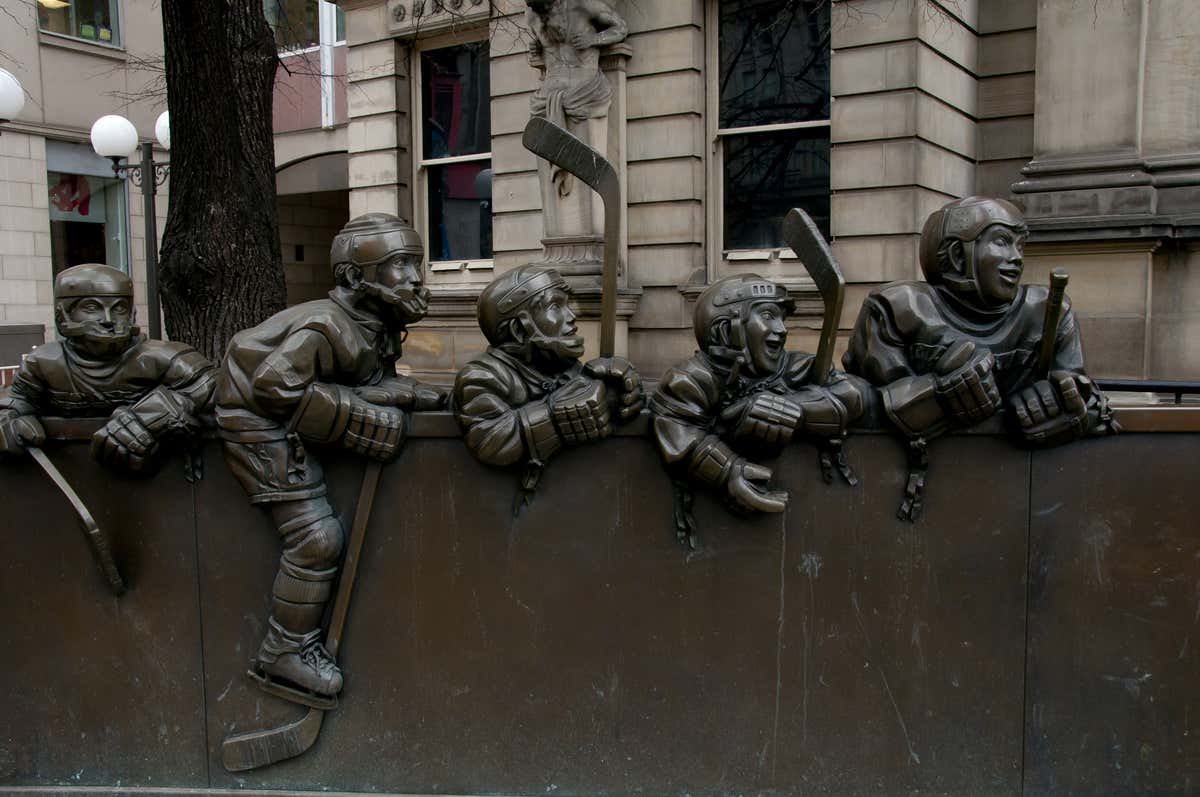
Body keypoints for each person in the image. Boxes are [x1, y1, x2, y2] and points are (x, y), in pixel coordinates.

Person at [215, 213, 446, 706]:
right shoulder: (324, 326)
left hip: (283, 412)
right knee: (317, 539)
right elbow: (275, 387)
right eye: (397, 265)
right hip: (257, 425)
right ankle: (284, 649)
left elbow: (359, 382)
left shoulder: (376, 323)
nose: (413, 277)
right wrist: (356, 418)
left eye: (416, 264)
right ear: (352, 278)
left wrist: (404, 395)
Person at [843, 196, 1118, 517]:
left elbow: (1086, 397)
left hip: (1019, 499)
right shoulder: (897, 308)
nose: (1016, 258)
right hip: (909, 496)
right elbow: (869, 409)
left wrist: (1067, 406)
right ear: (958, 255)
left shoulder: (1048, 312)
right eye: (1001, 242)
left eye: (1020, 245)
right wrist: (938, 395)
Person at [650, 274, 871, 537]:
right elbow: (679, 430)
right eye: (767, 316)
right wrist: (728, 470)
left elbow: (855, 393)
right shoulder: (691, 379)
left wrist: (791, 409)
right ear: (725, 329)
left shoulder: (795, 367)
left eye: (781, 318)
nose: (782, 329)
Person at [453, 264, 643, 508]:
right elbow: (492, 441)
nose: (572, 317)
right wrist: (556, 416)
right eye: (555, 307)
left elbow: (594, 397)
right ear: (519, 329)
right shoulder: (482, 376)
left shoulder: (563, 365)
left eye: (567, 305)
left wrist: (620, 390)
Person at [0, 263, 215, 472]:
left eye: (119, 308)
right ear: (62, 313)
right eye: (92, 307)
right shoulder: (43, 363)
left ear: (132, 313)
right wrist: (6, 419)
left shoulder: (164, 357)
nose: (108, 320)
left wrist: (155, 415)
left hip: (159, 477)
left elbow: (215, 388)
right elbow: (17, 400)